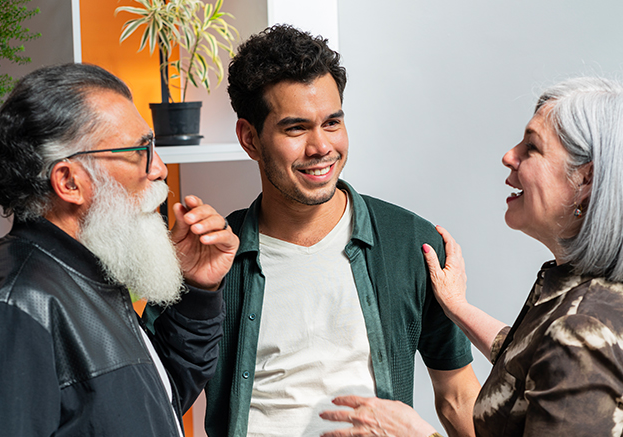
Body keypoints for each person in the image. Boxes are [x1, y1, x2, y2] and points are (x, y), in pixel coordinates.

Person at [321, 76, 623, 436]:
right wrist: (457, 306)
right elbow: (536, 361)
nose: (509, 156)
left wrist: (413, 434)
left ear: (586, 180)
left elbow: (567, 351)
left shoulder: (585, 332)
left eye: (532, 147)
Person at [188, 24, 480, 437]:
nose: (321, 147)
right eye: (295, 128)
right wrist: (195, 291)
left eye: (331, 123)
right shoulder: (211, 260)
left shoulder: (412, 245)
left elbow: (457, 396)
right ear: (249, 138)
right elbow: (154, 390)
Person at [0, 63, 239, 437]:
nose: (159, 168)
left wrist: (197, 289)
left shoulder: (85, 271)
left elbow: (152, 404)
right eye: (140, 150)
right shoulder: (10, 314)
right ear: (69, 182)